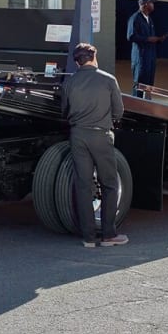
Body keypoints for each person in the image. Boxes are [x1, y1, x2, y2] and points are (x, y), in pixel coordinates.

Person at [59, 43, 130, 248]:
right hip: (101, 136)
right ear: (94, 57)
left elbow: (65, 111)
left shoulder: (70, 82)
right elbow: (119, 111)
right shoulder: (108, 80)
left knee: (83, 185)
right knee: (109, 184)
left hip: (78, 135)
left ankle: (88, 237)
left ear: (76, 62)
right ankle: (108, 235)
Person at [127, 0, 165, 95]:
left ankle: (147, 105)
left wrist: (158, 39)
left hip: (150, 56)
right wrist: (148, 39)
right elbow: (130, 36)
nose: (153, 5)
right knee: (139, 84)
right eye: (152, 3)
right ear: (146, 4)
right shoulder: (135, 18)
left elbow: (150, 37)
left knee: (149, 84)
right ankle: (136, 106)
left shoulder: (149, 19)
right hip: (140, 57)